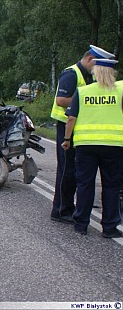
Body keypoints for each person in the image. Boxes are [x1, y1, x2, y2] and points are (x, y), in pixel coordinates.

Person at [49, 45, 113, 223]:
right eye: (98, 64)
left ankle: (72, 206)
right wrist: (85, 99)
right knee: (67, 170)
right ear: (90, 59)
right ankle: (60, 210)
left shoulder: (85, 75)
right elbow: (61, 100)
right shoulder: (72, 73)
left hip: (78, 127)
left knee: (77, 170)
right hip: (65, 125)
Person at [61, 58, 123, 237]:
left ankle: (81, 223)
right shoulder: (121, 90)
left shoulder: (83, 91)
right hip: (114, 145)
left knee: (85, 184)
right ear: (112, 73)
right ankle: (110, 227)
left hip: (86, 145)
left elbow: (71, 118)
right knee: (111, 186)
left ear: (95, 72)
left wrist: (67, 139)